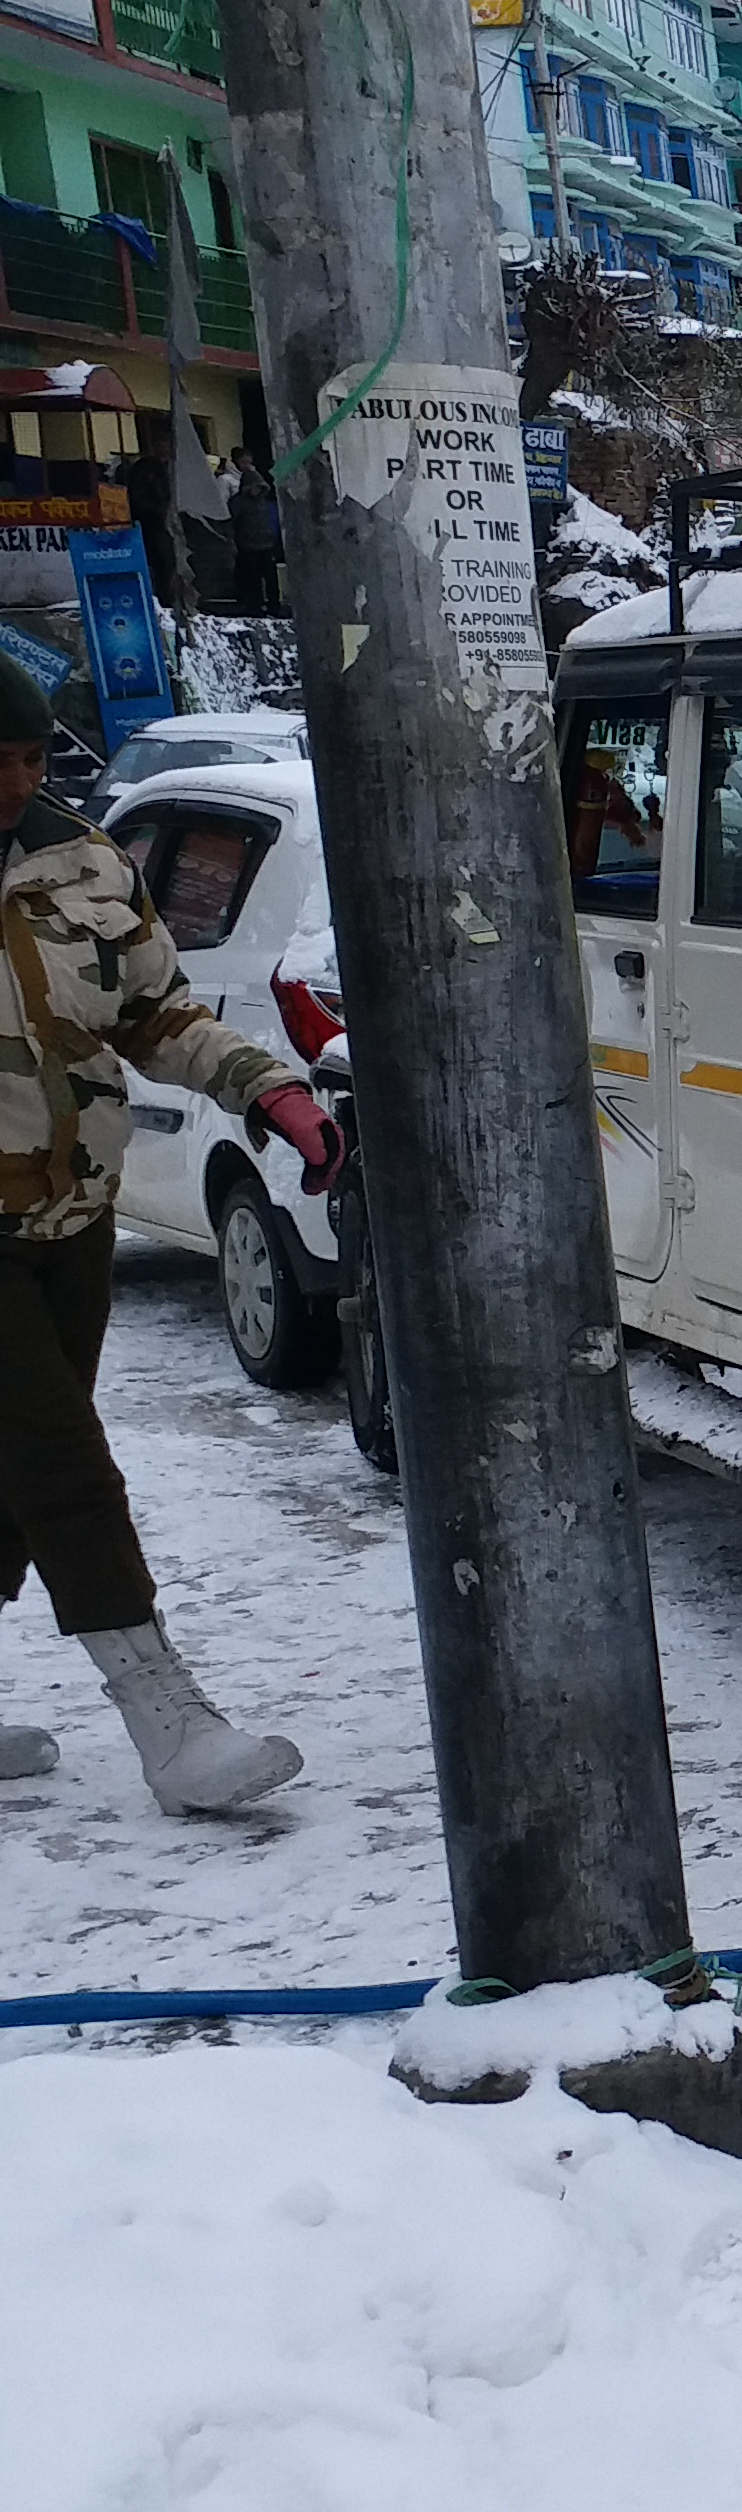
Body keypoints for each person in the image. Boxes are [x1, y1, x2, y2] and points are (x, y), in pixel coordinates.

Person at [0, 652, 334, 1811]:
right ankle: (172, 1727)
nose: (18, 780)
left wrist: (264, 1089)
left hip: (71, 1216)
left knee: (16, 1475)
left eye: (34, 757)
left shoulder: (85, 863)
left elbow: (155, 1014)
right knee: (63, 1469)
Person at [227, 447, 283, 616]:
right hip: (247, 546)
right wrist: (232, 542)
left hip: (266, 544)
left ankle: (274, 606)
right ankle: (255, 607)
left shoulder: (265, 502)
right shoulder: (238, 502)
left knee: (271, 579)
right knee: (253, 580)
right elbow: (230, 523)